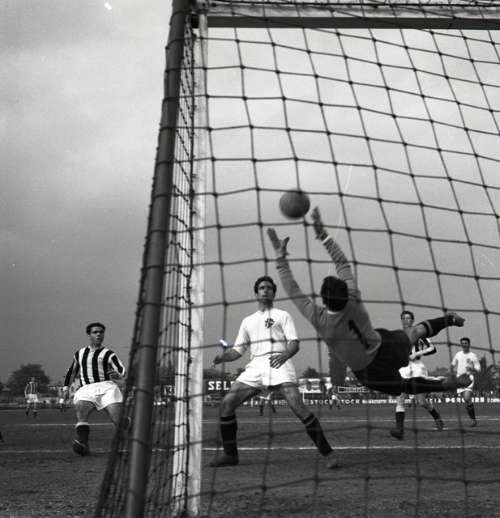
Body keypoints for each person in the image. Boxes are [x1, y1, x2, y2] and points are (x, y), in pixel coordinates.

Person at [266, 207, 471, 398]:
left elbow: (292, 289)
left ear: (323, 300)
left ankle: (442, 385)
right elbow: (341, 263)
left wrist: (280, 258)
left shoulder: (318, 318)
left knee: (403, 386)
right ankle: (449, 319)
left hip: (368, 372)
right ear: (345, 292)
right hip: (387, 347)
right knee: (416, 331)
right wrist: (323, 235)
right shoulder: (353, 297)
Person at [209, 275, 338, 469]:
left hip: (279, 361)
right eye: (262, 287)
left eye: (269, 287)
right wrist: (222, 357)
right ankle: (230, 455)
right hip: (255, 366)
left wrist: (285, 355)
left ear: (274, 293)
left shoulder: (282, 315)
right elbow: (237, 351)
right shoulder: (248, 321)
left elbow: (294, 343)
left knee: (298, 407)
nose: (265, 290)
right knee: (227, 404)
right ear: (256, 293)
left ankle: (328, 454)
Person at [62, 322, 126, 456]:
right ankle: (83, 445)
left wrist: (118, 375)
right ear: (89, 335)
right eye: (95, 332)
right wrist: (66, 388)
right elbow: (71, 371)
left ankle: (127, 428)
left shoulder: (108, 353)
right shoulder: (80, 353)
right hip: (87, 388)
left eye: (101, 332)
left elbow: (121, 369)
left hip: (107, 387)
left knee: (117, 419)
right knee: (81, 410)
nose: (99, 334)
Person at [390, 311, 445, 440]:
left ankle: (436, 416)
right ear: (401, 320)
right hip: (403, 368)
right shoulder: (398, 335)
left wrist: (417, 353)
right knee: (400, 399)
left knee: (421, 402)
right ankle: (399, 429)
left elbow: (433, 348)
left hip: (417, 368)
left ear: (413, 320)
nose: (406, 320)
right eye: (404, 318)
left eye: (409, 318)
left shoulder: (419, 333)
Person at [451, 337, 481, 427]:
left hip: (469, 379)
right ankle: (472, 417)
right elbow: (452, 364)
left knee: (467, 398)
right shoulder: (458, 355)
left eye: (465, 343)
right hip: (459, 380)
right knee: (466, 400)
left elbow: (478, 369)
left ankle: (473, 420)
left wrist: (472, 368)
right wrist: (452, 373)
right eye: (462, 343)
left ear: (469, 344)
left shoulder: (473, 356)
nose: (464, 345)